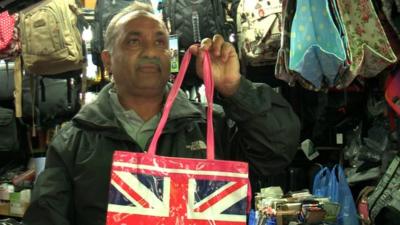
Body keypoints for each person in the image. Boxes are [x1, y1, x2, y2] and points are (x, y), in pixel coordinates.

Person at [23, 2, 300, 225]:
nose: (151, 52)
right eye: (133, 42)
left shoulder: (210, 126)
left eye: (160, 42)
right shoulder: (74, 141)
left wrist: (235, 88)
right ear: (107, 59)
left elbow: (277, 150)